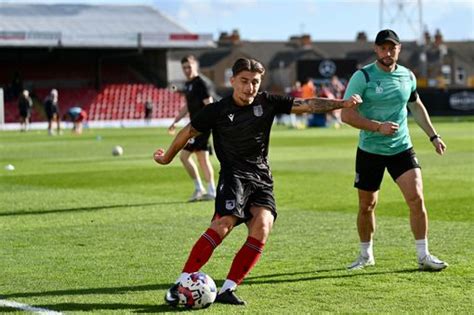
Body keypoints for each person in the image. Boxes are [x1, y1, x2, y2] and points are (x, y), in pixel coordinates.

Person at [154, 58, 362, 305]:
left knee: (263, 225)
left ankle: (228, 289)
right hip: (233, 177)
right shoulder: (217, 110)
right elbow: (187, 132)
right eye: (244, 81)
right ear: (232, 81)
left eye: (255, 82)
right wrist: (167, 157)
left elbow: (307, 105)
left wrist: (343, 103)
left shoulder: (268, 102)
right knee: (223, 225)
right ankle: (182, 282)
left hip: (262, 178)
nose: (249, 87)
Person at [341, 29, 448, 271]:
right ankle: (366, 254)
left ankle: (423, 255)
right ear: (376, 50)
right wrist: (377, 127)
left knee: (416, 198)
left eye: (392, 48)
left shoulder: (407, 76)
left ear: (398, 50)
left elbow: (416, 106)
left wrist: (433, 136)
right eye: (383, 48)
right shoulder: (363, 77)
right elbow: (346, 114)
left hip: (401, 148)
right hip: (370, 150)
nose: (388, 53)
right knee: (367, 205)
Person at [168, 55, 216, 202]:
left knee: (184, 156)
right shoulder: (188, 84)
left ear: (195, 65)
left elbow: (209, 104)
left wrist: (210, 123)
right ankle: (210, 190)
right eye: (184, 68)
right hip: (195, 126)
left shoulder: (201, 83)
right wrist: (175, 121)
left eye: (189, 66)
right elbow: (188, 106)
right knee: (202, 158)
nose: (187, 70)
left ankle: (200, 188)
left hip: (201, 127)